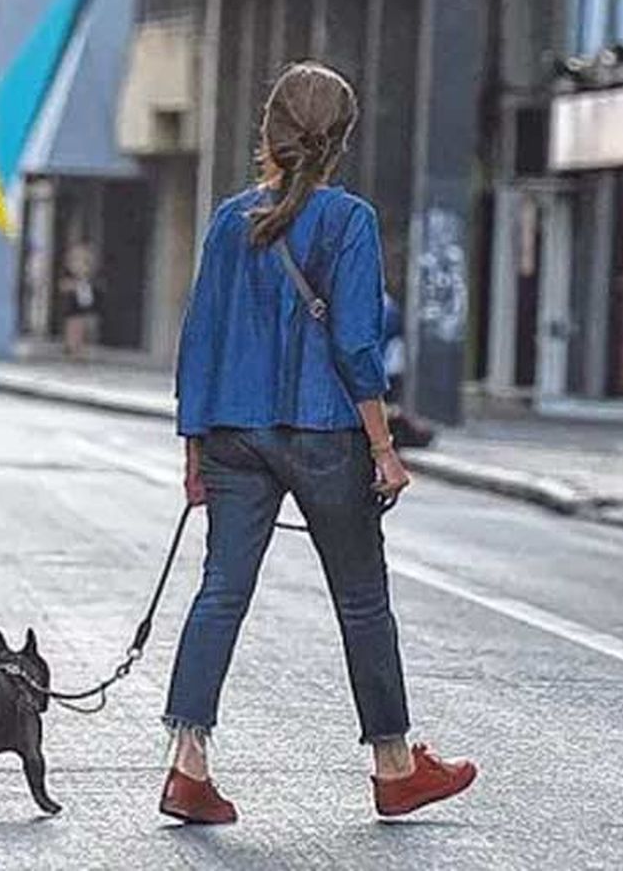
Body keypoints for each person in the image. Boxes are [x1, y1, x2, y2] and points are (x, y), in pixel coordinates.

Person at [161, 61, 477, 824]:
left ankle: (186, 765)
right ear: (340, 144)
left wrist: (194, 450)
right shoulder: (350, 222)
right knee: (363, 602)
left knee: (221, 591)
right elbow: (357, 344)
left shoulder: (228, 220)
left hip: (235, 430)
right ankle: (395, 767)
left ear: (266, 132)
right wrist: (383, 446)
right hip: (326, 430)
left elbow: (199, 338)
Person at [58, 243, 102, 356]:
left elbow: (90, 294)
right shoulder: (70, 278)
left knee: (81, 326)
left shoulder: (87, 280)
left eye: (83, 262)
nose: (78, 266)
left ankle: (78, 345)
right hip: (72, 308)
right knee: (72, 325)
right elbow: (64, 286)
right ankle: (71, 344)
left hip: (83, 308)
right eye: (74, 261)